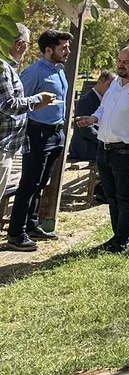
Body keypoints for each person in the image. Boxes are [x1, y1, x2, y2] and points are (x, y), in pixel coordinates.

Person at [74, 45, 129, 254]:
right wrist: (93, 118)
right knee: (111, 196)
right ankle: (116, 237)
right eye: (119, 61)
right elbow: (104, 108)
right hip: (104, 148)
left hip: (125, 149)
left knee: (125, 196)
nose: (120, 65)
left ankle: (122, 241)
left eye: (126, 62)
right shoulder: (115, 83)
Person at [9, 30, 72, 248]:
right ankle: (16, 233)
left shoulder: (60, 71)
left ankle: (31, 224)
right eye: (63, 47)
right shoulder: (34, 73)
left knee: (42, 182)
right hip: (38, 133)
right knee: (29, 183)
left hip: (57, 133)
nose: (67, 51)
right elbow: (18, 103)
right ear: (48, 50)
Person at [2, 25, 56, 250]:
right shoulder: (3, 67)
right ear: (20, 45)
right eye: (27, 45)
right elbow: (7, 104)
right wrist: (38, 100)